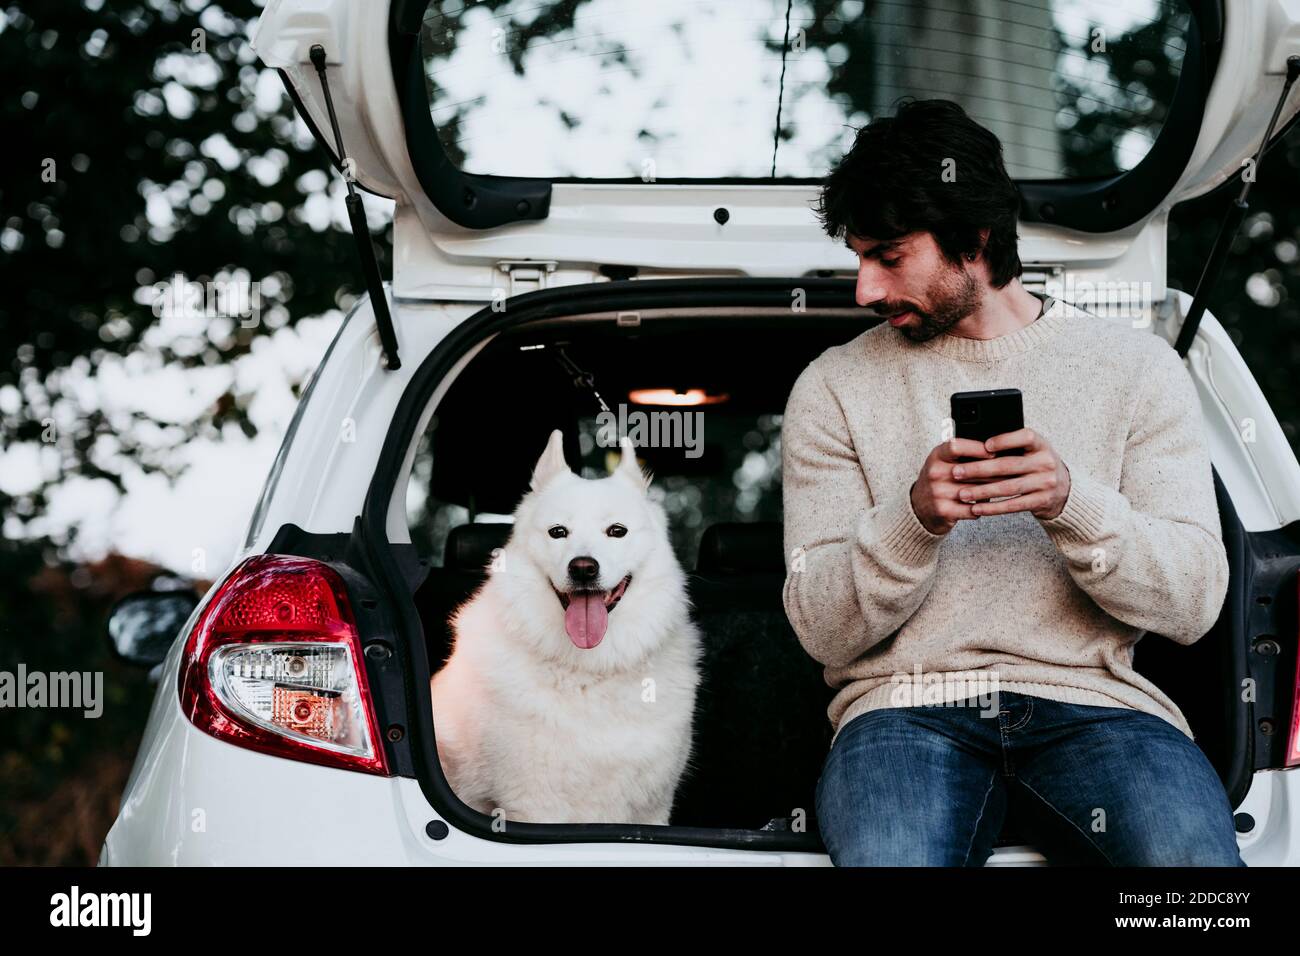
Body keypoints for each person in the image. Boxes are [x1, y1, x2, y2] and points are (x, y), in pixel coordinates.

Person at [781, 98, 1243, 866]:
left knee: (1196, 886)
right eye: (859, 257)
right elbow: (821, 629)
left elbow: (1195, 603)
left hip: (1100, 709)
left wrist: (1074, 504)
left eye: (889, 256)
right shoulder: (832, 388)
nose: (864, 289)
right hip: (903, 711)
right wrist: (912, 521)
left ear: (977, 240)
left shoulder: (1136, 369)